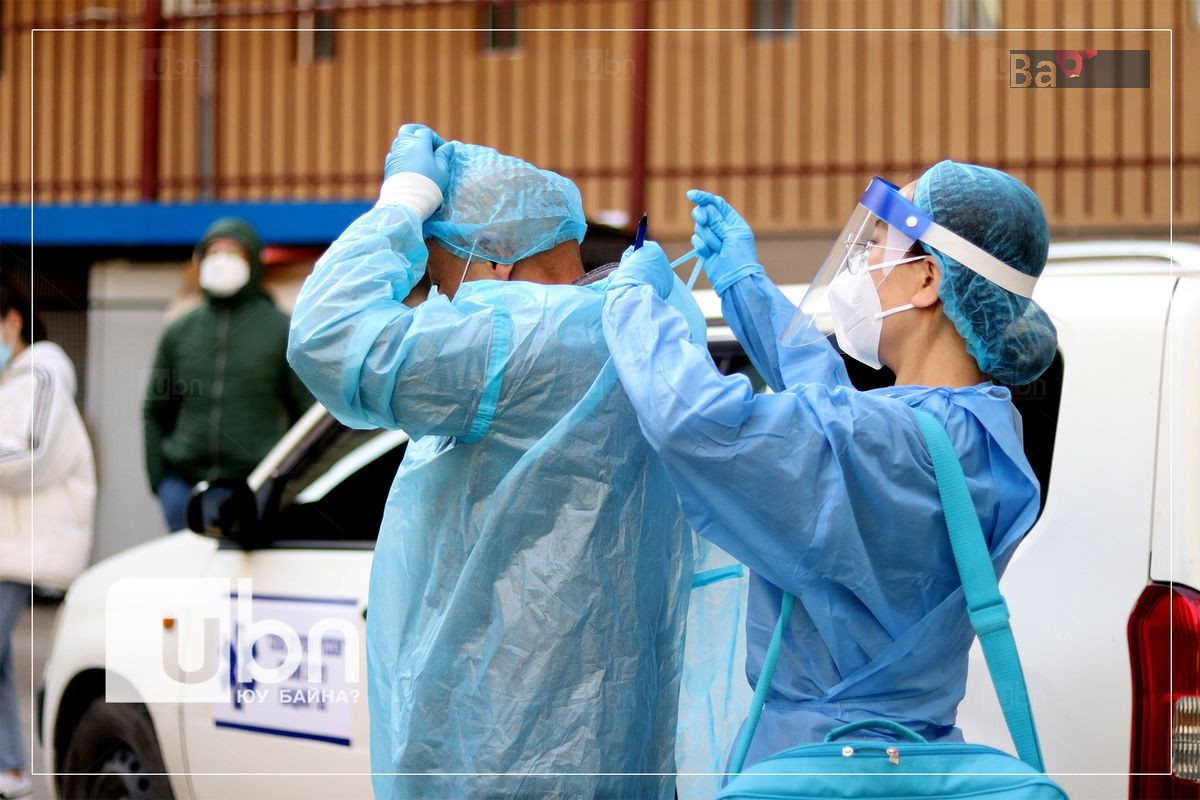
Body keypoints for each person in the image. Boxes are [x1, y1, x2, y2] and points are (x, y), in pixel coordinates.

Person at [287, 124, 705, 799]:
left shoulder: (519, 340)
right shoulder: (636, 324)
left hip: (501, 751)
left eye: (440, 276)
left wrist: (402, 203)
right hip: (608, 740)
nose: (441, 302)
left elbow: (329, 335)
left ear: (497, 259)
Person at [600, 161, 1056, 771]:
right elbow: (837, 423)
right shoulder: (977, 427)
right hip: (907, 759)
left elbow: (695, 421)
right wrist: (742, 282)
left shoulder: (889, 444)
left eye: (875, 247)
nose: (861, 265)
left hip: (821, 764)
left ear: (927, 279)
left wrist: (631, 302)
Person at [142, 218, 313, 532]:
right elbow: (156, 409)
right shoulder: (180, 330)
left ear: (253, 262)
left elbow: (306, 413)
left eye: (232, 253)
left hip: (253, 488)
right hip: (184, 490)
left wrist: (289, 481)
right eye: (214, 253)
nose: (221, 261)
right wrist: (161, 482)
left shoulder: (281, 329)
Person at [0, 271, 96, 799]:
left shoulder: (43, 371)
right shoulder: (15, 379)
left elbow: (32, 452)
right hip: (13, 544)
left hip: (26, 545)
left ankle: (11, 768)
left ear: (12, 321)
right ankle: (10, 769)